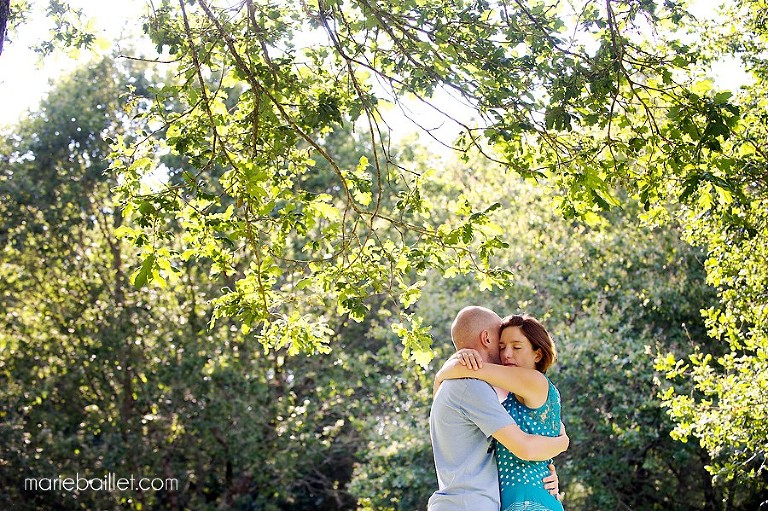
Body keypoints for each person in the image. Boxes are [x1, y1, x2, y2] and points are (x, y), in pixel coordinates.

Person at [428, 306, 568, 511]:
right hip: (479, 503)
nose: (507, 354)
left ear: (537, 355)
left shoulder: (532, 381)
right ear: (487, 339)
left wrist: (443, 373)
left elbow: (530, 445)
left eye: (516, 347)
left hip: (526, 499)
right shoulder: (472, 387)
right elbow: (524, 447)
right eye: (501, 345)